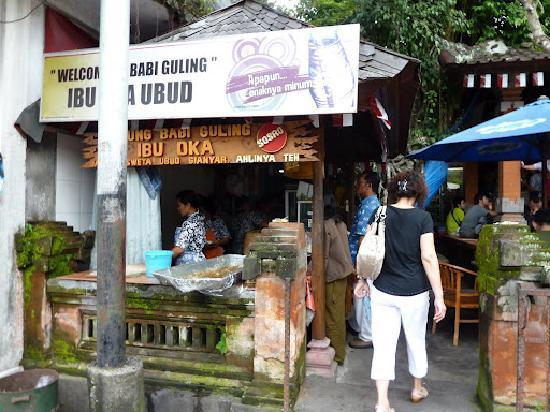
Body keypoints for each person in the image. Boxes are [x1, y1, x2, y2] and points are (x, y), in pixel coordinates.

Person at [354, 171, 446, 412]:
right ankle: (417, 387)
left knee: (384, 345)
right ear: (418, 192)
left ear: (394, 190)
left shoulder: (380, 213)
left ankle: (382, 402)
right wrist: (440, 297)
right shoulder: (423, 218)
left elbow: (368, 248)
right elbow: (428, 257)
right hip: (415, 292)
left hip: (383, 290)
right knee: (415, 340)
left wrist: (363, 278)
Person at [348, 172, 380, 349]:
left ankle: (367, 335)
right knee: (360, 294)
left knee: (363, 294)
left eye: (359, 183)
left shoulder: (369, 206)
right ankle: (358, 326)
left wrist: (358, 266)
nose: (356, 186)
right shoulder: (370, 204)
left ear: (368, 184)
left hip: (363, 259)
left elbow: (363, 239)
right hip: (364, 258)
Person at [324, 206, 354, 365]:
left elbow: (324, 257)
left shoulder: (326, 226)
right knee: (337, 314)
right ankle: (337, 351)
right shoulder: (340, 223)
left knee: (333, 317)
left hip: (334, 275)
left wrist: (313, 272)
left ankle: (338, 355)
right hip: (341, 273)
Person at [172, 190, 206, 265]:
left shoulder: (190, 223)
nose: (178, 208)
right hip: (199, 261)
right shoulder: (200, 219)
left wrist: (165, 257)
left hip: (189, 264)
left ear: (187, 205)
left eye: (179, 205)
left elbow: (180, 249)